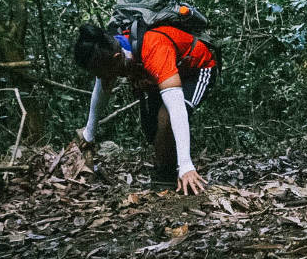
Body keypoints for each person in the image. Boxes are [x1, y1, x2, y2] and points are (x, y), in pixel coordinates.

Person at [73, 23, 217, 195]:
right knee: (153, 129)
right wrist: (89, 133)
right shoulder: (109, 52)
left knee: (166, 118)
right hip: (164, 71)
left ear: (117, 58)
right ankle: (166, 172)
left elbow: (177, 109)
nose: (101, 78)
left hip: (196, 69)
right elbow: (102, 91)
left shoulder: (154, 48)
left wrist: (186, 164)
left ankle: (171, 176)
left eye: (102, 74)